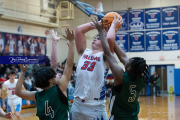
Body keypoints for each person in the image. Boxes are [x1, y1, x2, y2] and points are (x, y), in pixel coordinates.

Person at [91, 17, 149, 120]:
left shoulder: (120, 76)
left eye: (129, 61)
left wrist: (101, 31)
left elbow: (109, 54)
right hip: (133, 117)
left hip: (118, 117)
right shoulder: (140, 79)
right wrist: (114, 34)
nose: (127, 59)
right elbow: (123, 57)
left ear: (129, 68)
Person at [15, 27, 75, 120]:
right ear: (50, 79)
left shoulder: (37, 96)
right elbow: (69, 65)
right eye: (54, 75)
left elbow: (18, 92)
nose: (56, 75)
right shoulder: (60, 88)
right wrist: (72, 42)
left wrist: (22, 72)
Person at [71, 15, 121, 120]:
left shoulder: (106, 56)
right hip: (77, 104)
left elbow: (110, 39)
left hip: (95, 107)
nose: (95, 39)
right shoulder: (84, 52)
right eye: (95, 38)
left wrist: (112, 27)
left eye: (99, 38)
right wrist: (100, 23)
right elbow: (79, 30)